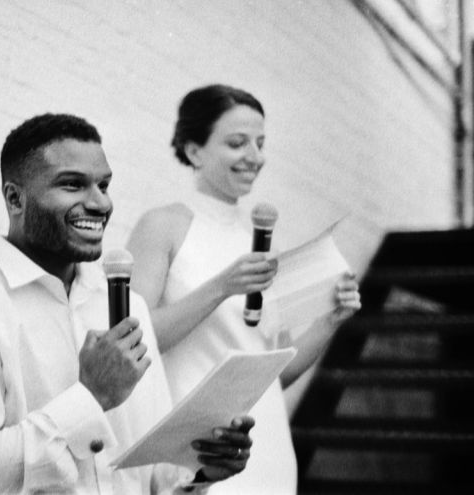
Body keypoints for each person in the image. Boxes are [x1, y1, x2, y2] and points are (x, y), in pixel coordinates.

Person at [0, 113, 256, 494]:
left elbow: (154, 480)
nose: (100, 202)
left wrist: (200, 469)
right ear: (14, 198)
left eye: (104, 185)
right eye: (72, 185)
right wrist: (91, 398)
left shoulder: (131, 307)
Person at [125, 84, 362, 494]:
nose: (255, 156)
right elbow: (134, 344)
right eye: (237, 143)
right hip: (201, 456)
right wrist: (221, 287)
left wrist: (330, 321)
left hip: (267, 451)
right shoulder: (163, 225)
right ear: (194, 150)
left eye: (260, 143)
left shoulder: (263, 240)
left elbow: (276, 373)